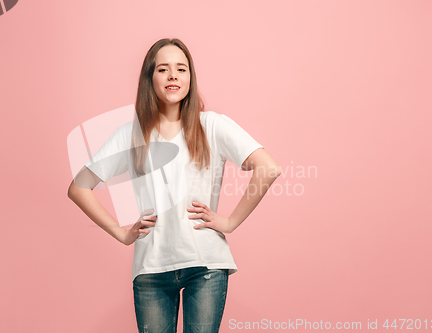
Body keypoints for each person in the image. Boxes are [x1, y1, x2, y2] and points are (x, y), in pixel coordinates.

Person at [68, 38, 281, 333]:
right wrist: (120, 232)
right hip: (151, 269)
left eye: (181, 69)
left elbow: (268, 168)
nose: (173, 76)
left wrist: (230, 222)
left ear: (190, 78)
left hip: (205, 265)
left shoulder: (213, 126)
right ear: (149, 78)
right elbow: (78, 188)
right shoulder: (130, 135)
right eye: (163, 69)